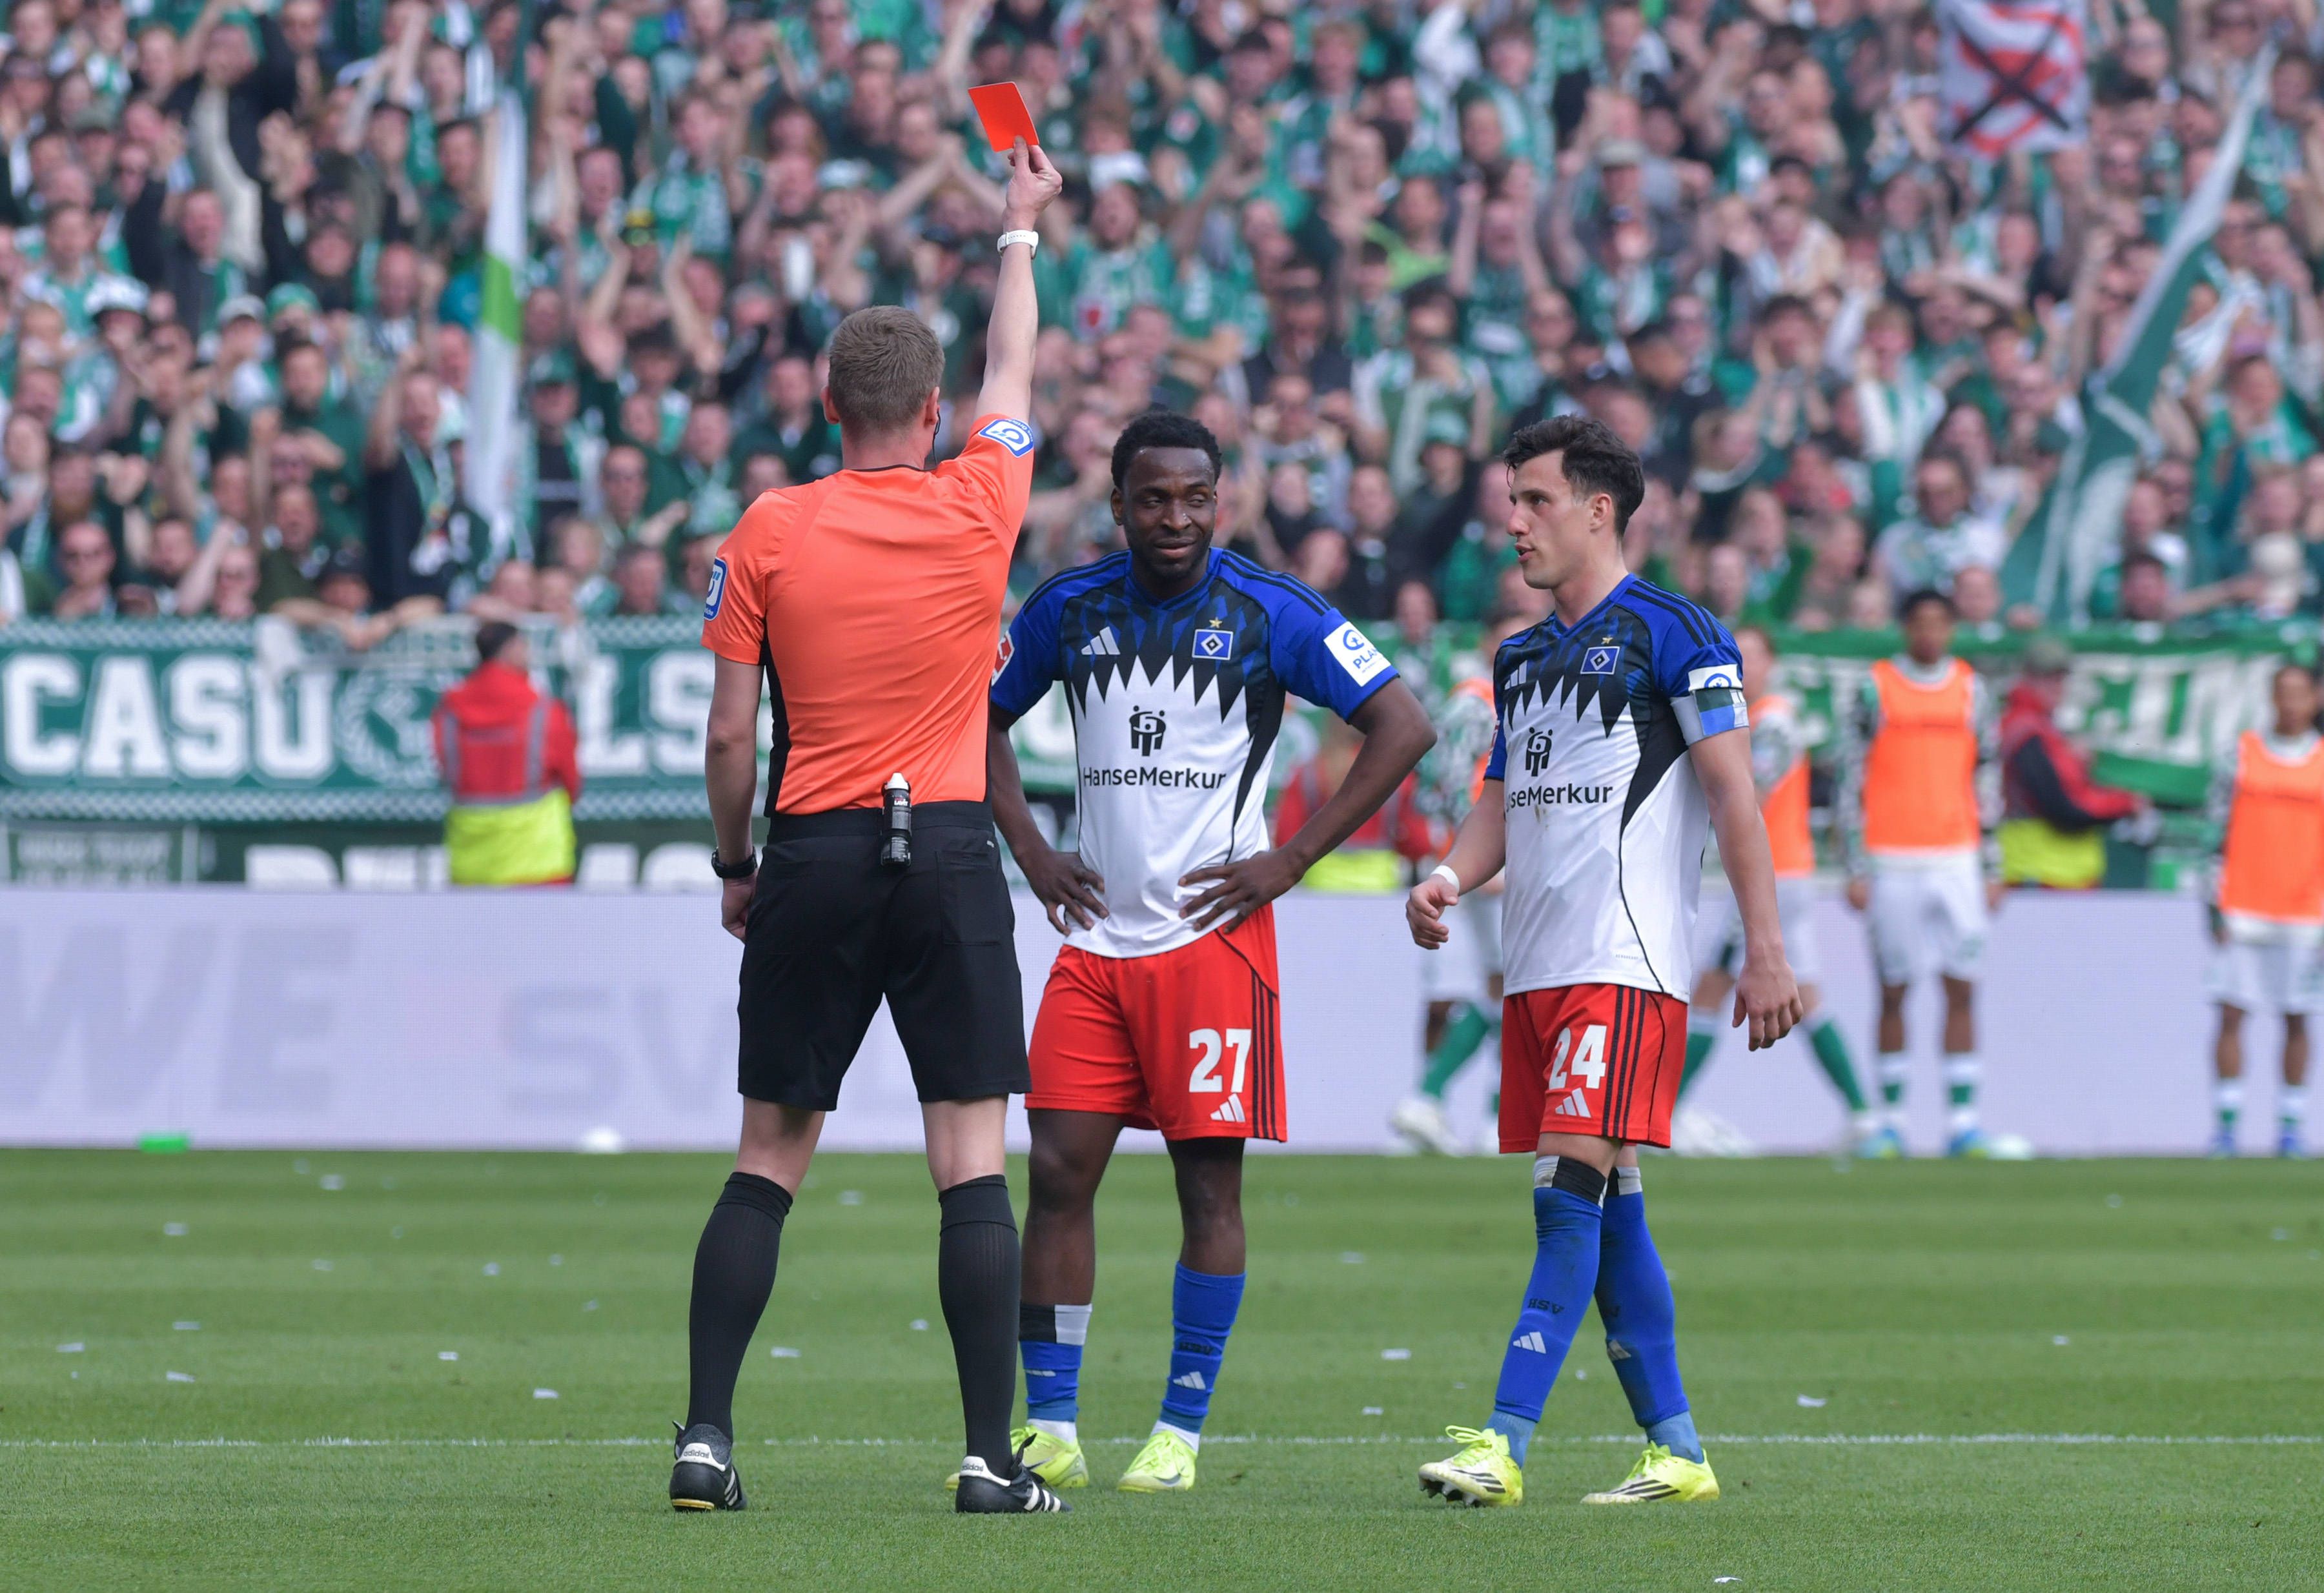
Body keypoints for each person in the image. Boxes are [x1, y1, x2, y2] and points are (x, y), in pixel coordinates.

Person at [678, 137, 1069, 1517]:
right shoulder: (981, 499)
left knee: (768, 1153)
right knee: (967, 1157)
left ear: (832, 405)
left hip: (816, 852)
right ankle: (984, 1457)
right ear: (934, 410)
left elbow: (732, 736)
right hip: (949, 849)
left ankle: (706, 1441)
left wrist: (738, 863)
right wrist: (1019, 230)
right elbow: (1020, 375)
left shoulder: (769, 527)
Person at [984, 409, 1435, 1494]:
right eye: (1153, 498)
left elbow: (1404, 724)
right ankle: (1052, 1421)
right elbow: (974, 717)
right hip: (1093, 941)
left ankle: (1179, 1429)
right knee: (1054, 1173)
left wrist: (1294, 855)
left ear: (1221, 499)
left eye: (1195, 496)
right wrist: (1035, 852)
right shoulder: (1067, 608)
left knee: (1208, 1189)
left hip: (1212, 944)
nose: (1175, 517)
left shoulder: (1274, 611)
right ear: (1120, 503)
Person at [1403, 416, 1801, 1509]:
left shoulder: (1680, 631)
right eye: (1511, 499)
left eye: (1533, 500)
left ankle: (1504, 1439)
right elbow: (1501, 799)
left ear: (1598, 510)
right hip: (1535, 968)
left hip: (1624, 962)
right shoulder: (1521, 655)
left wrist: (1765, 952)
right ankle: (1676, 1449)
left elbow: (1733, 796)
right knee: (1613, 1202)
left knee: (1566, 1194)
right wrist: (1447, 874)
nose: (1513, 521)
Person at [1678, 626, 1876, 1153]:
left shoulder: (1774, 723)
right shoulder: (1752, 721)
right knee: (1806, 998)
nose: (1742, 668)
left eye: (1752, 658)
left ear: (1771, 665)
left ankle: (1665, 1113)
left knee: (1711, 990)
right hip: (1784, 874)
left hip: (1771, 878)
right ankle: (1863, 1115)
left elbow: (1749, 795)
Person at [1838, 589, 2019, 1159]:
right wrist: (1854, 862)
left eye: (1941, 623)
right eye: (1920, 623)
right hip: (1892, 856)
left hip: (1956, 855)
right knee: (1894, 988)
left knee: (1961, 984)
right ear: (1905, 628)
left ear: (1952, 629)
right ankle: (1890, 1122)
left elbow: (1988, 778)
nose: (1930, 634)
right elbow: (1850, 779)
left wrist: (1993, 863)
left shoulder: (1971, 690)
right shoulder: (1876, 689)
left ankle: (1963, 1123)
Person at [1390, 576, 1551, 1156]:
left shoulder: (1516, 699)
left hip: (1500, 859)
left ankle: (1437, 1101)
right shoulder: (1476, 699)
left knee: (1502, 988)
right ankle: (1482, 1113)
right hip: (1487, 863)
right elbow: (1445, 781)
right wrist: (1477, 862)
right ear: (1489, 645)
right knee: (1520, 988)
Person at [2205, 663, 2322, 1159]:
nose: (2291, 704)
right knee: (2233, 1012)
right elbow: (2215, 830)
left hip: (2306, 910)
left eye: (2300, 695)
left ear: (2314, 700)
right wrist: (2212, 899)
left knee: (2297, 1015)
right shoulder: (2242, 755)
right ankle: (2227, 1127)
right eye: (2283, 694)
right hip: (2245, 904)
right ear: (2271, 698)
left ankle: (2290, 1126)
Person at [429, 620, 581, 887]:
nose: (528, 654)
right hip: (538, 861)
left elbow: (443, 763)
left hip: (472, 858)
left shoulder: (450, 708)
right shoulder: (542, 708)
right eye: (524, 646)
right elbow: (570, 778)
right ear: (510, 650)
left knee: (478, 929)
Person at [1997, 637, 2146, 891]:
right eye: (2045, 677)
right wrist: (2125, 803)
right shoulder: (2025, 731)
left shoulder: (2045, 729)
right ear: (2025, 678)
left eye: (2060, 677)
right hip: (2039, 874)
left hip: (2062, 875)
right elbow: (2065, 807)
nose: (2056, 686)